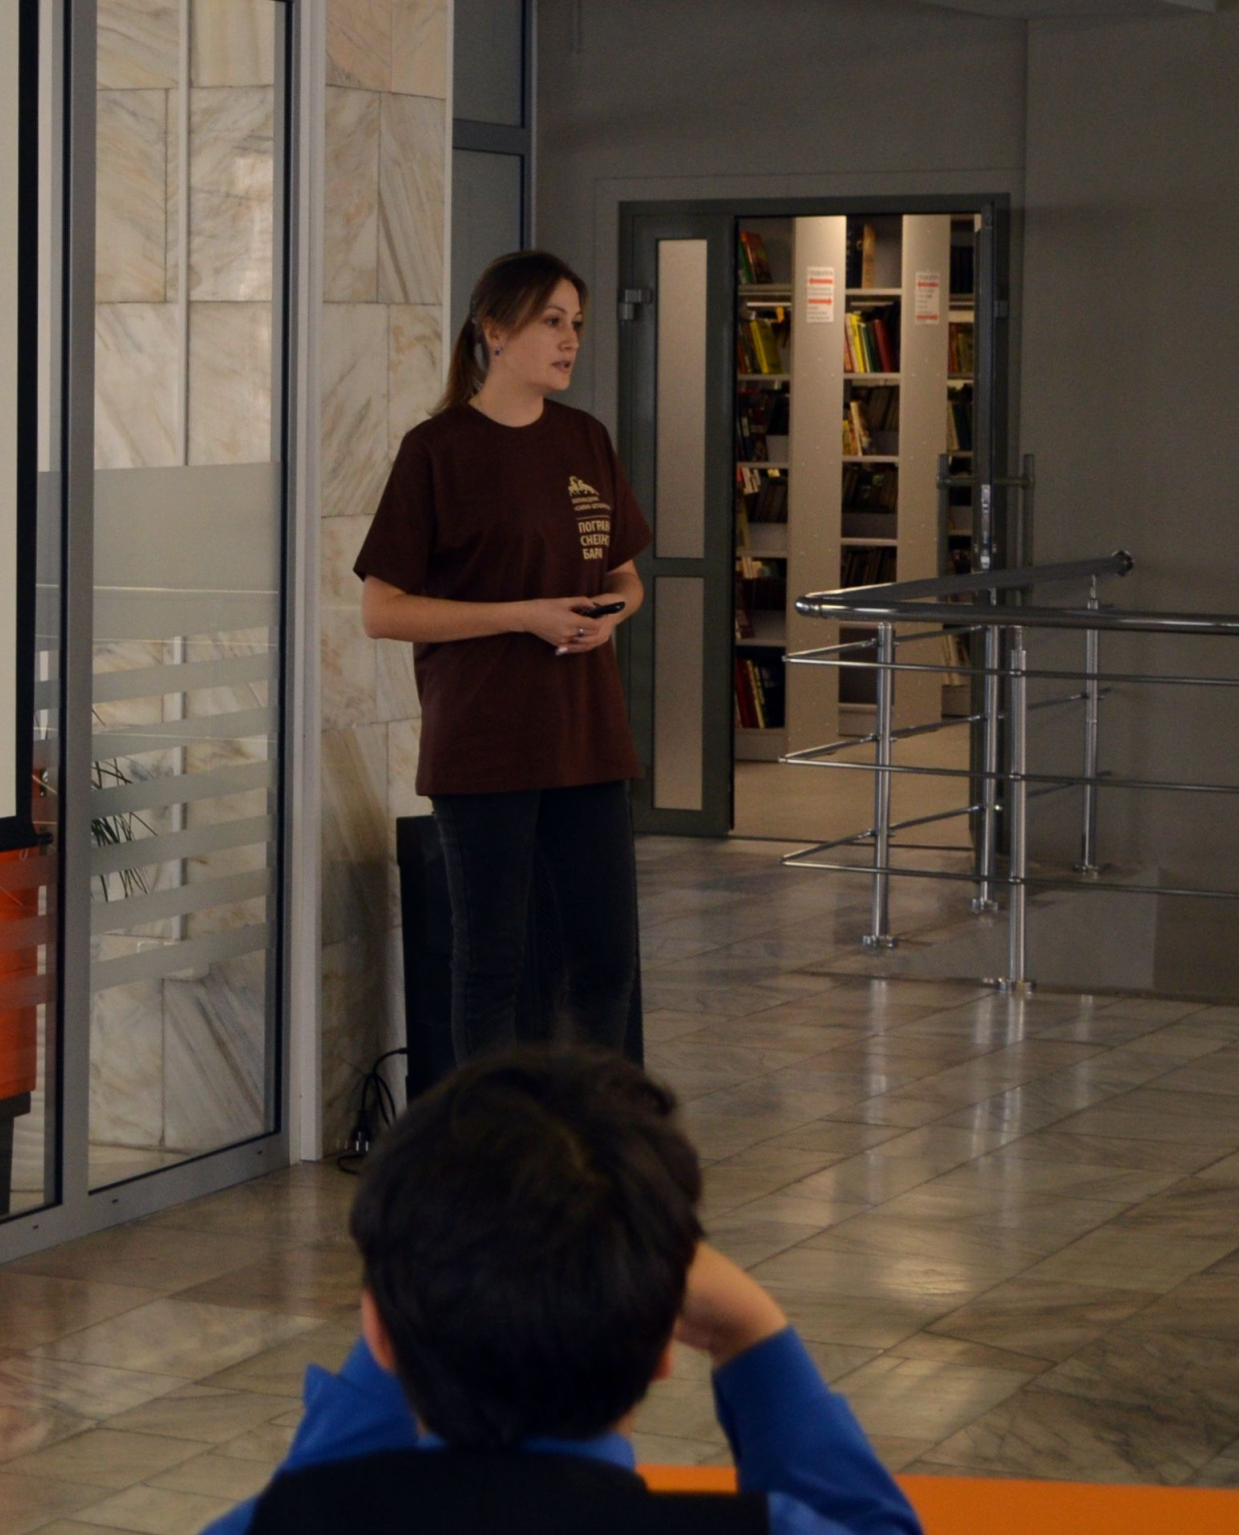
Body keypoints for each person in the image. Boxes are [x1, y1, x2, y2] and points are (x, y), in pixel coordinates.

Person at [203, 1048, 919, 1535]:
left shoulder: (287, 1524)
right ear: (660, 1354)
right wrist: (752, 1334)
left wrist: (421, 1282)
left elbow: (312, 1499)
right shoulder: (770, 1529)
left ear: (380, 1334)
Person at [357, 251, 648, 1060]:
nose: (570, 340)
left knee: (607, 961)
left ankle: (593, 1142)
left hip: (587, 739)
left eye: (577, 324)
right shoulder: (438, 450)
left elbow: (626, 577)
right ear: (495, 330)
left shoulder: (586, 439)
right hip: (484, 745)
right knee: (492, 964)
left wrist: (608, 615)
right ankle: (486, 1155)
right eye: (552, 321)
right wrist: (521, 616)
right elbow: (382, 611)